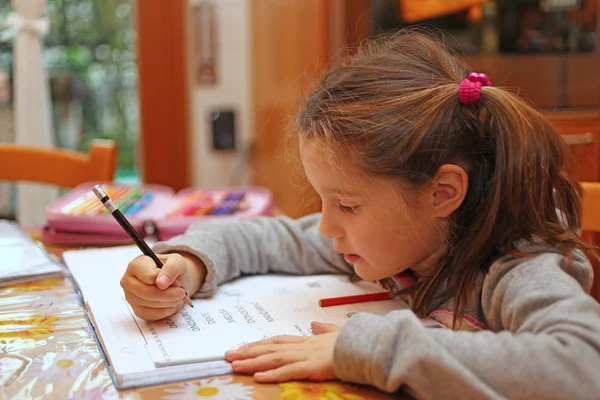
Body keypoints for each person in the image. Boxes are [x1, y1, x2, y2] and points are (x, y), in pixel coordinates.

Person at [119, 31, 600, 399]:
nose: (327, 227)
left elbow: (583, 365)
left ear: (442, 193)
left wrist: (370, 348)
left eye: (347, 205)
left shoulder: (517, 265)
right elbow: (262, 238)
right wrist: (188, 262)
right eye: (322, 200)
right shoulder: (399, 238)